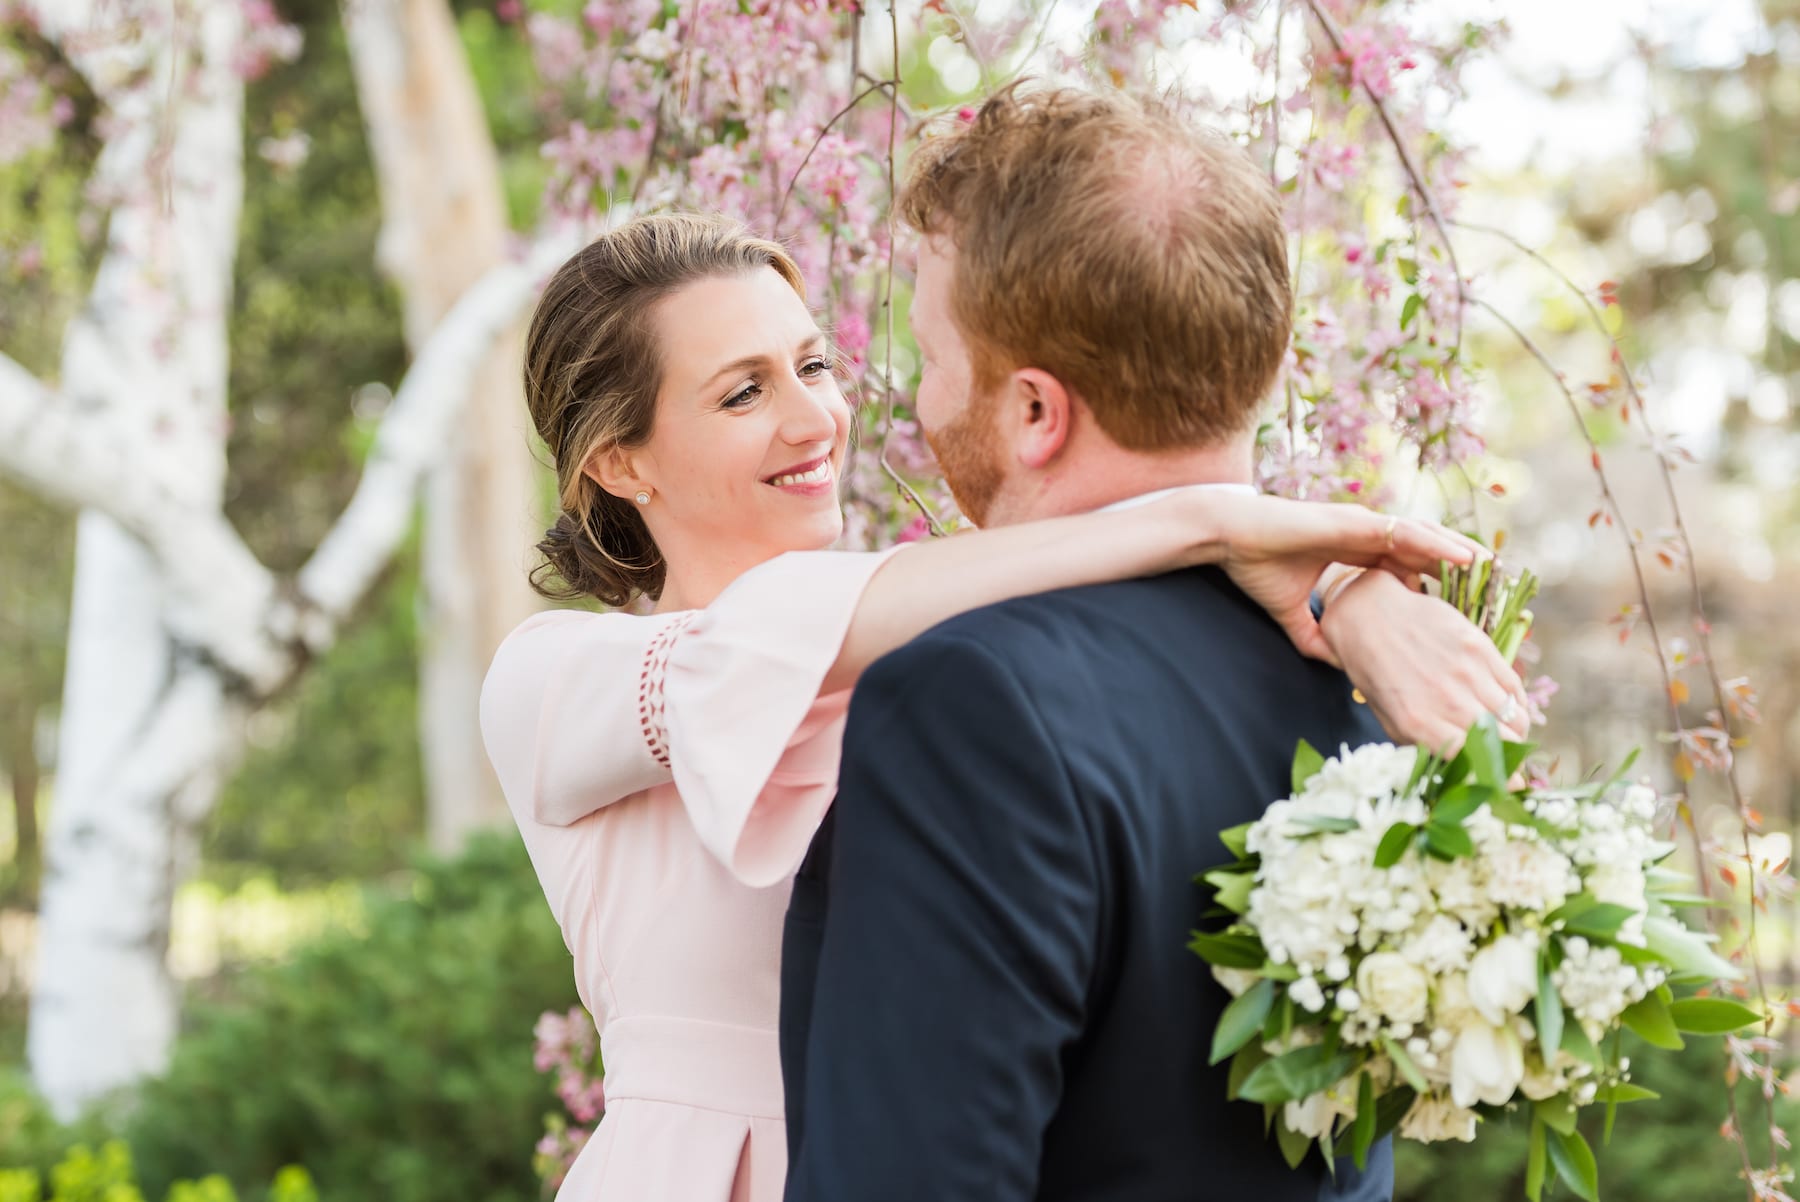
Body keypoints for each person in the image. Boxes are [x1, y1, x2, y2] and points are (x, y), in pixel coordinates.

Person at [479, 212, 1525, 1200]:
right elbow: (754, 647)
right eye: (741, 394)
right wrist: (1223, 517)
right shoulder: (556, 680)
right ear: (619, 461)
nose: (815, 418)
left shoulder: (947, 634)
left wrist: (1348, 592)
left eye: (812, 365)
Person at [778, 86, 1490, 1202]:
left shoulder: (970, 702)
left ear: (1033, 412)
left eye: (929, 354)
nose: (914, 401)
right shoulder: (1377, 692)